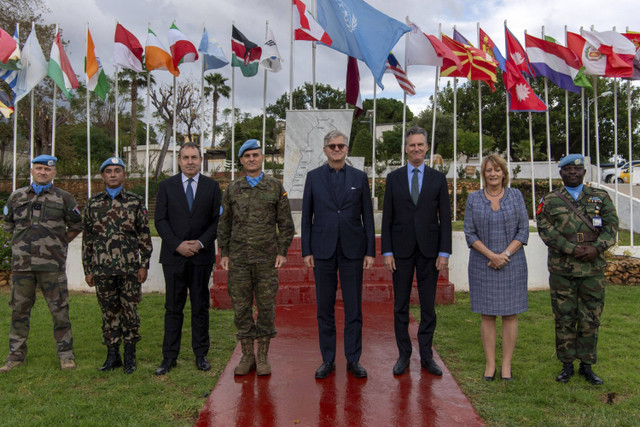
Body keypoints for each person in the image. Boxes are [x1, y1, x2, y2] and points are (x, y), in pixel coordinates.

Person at [537, 154, 618, 385]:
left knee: (590, 318)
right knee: (564, 317)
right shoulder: (551, 200)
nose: (572, 173)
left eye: (577, 169)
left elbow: (611, 227)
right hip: (563, 269)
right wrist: (571, 249)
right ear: (560, 173)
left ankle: (587, 365)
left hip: (592, 269)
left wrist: (596, 248)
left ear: (584, 172)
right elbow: (545, 230)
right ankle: (566, 365)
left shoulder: (599, 197)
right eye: (567, 170)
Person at [301, 130, 375, 379]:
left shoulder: (359, 177)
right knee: (325, 308)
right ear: (325, 150)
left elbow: (368, 216)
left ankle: (353, 359)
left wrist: (370, 251)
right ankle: (328, 359)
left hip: (353, 251)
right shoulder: (313, 177)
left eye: (341, 145)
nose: (336, 149)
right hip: (322, 251)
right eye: (332, 146)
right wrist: (306, 249)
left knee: (354, 308)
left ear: (346, 149)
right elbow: (306, 217)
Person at [218, 139, 295, 376]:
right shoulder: (232, 189)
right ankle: (247, 355)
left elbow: (285, 223)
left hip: (266, 260)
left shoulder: (275, 187)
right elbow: (225, 223)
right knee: (241, 307)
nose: (251, 159)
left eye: (255, 155)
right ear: (241, 160)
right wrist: (225, 252)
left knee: (266, 307)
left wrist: (282, 251)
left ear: (262, 158)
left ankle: (262, 356)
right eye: (247, 155)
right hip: (239, 259)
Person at [0, 155, 82, 373]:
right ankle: (16, 356)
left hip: (51, 267)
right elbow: (8, 226)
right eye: (39, 168)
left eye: (47, 169)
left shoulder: (64, 198)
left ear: (54, 173)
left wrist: (59, 242)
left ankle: (66, 354)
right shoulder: (16, 197)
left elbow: (76, 224)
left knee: (60, 311)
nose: (43, 172)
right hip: (22, 267)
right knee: (19, 311)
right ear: (32, 171)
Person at [381, 126, 452, 377]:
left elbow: (445, 217)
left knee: (427, 307)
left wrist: (444, 252)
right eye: (412, 145)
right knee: (400, 305)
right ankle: (403, 355)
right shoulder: (394, 178)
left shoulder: (438, 179)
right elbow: (387, 217)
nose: (416, 149)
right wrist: (386, 251)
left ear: (426, 147)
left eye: (420, 145)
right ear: (405, 148)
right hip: (400, 252)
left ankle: (427, 356)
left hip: (430, 252)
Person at [154, 142, 222, 375]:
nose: (190, 161)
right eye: (185, 157)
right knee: (173, 308)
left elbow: (217, 221)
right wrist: (178, 245)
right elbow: (160, 220)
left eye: (194, 157)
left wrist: (200, 243)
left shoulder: (212, 187)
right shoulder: (166, 186)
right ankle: (169, 357)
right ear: (179, 160)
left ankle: (201, 355)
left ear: (201, 160)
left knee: (200, 307)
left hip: (201, 257)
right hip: (174, 257)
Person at [82, 157, 153, 374]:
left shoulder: (135, 201)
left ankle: (130, 355)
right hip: (102, 269)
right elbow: (88, 239)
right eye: (109, 171)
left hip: (130, 268)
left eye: (117, 171)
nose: (113, 174)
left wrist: (145, 265)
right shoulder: (93, 203)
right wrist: (88, 269)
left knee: (130, 310)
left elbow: (144, 235)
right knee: (109, 312)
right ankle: (112, 355)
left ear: (124, 175)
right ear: (103, 176)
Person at [463, 154, 529, 381]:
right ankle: (490, 365)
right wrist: (492, 255)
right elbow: (469, 233)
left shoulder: (516, 196)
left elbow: (523, 230)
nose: (493, 174)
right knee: (487, 314)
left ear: (504, 173)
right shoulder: (473, 199)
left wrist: (504, 255)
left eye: (497, 169)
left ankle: (506, 366)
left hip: (512, 262)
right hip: (483, 263)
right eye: (489, 170)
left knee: (510, 314)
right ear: (484, 174)